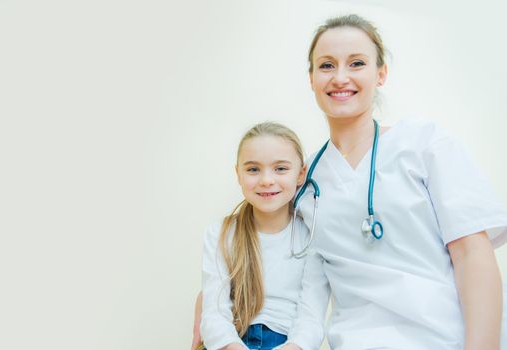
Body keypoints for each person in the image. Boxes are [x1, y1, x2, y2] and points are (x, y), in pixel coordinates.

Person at [284, 14, 507, 350]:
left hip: (445, 339)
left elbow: (472, 255)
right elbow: (275, 251)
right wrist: (216, 297)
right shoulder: (305, 180)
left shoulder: (424, 144)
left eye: (356, 63)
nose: (340, 77)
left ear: (381, 74)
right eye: (326, 66)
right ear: (311, 78)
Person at [196, 122, 329, 350]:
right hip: (232, 343)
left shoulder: (312, 237)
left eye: (280, 169)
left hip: (288, 343)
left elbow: (311, 318)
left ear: (301, 174)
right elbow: (214, 314)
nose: (266, 180)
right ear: (238, 174)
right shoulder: (221, 234)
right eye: (253, 169)